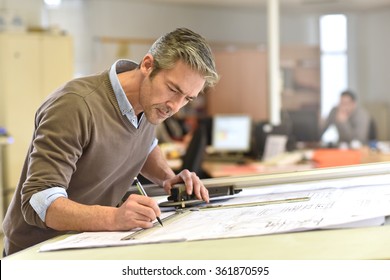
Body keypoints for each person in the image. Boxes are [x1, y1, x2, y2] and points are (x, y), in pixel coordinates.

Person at [2, 27, 219, 256]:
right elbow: (39, 202)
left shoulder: (151, 104)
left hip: (90, 243)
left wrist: (168, 179)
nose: (175, 106)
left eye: (187, 98)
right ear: (147, 65)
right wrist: (114, 217)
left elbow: (145, 144)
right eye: (173, 89)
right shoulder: (75, 105)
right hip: (39, 253)